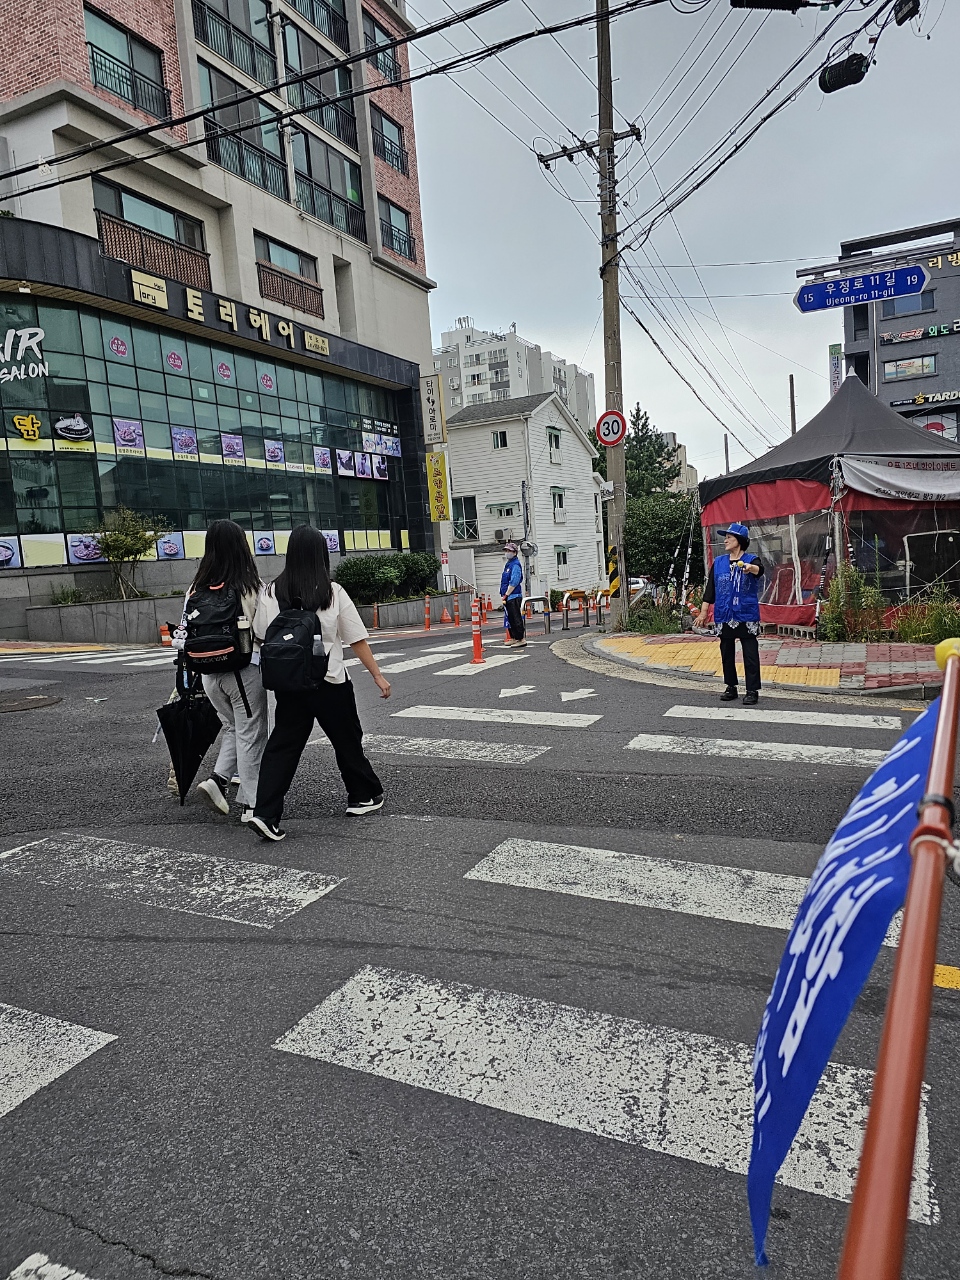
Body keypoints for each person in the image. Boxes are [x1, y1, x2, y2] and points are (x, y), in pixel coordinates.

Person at [248, 524, 392, 842]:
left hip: (290, 686)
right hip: (329, 681)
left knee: (282, 748)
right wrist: (378, 676)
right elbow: (357, 639)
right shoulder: (331, 591)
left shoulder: (272, 592)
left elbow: (260, 636)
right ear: (320, 555)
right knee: (346, 739)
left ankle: (265, 813)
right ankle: (362, 797)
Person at [185, 520, 268, 819]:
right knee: (252, 734)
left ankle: (218, 780)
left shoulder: (196, 588)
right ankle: (253, 806)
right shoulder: (250, 586)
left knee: (235, 728)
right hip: (242, 672)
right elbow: (262, 631)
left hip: (208, 676)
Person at [695, 521, 764, 706]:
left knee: (750, 653)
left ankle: (752, 690)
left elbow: (760, 570)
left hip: (746, 614)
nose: (725, 540)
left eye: (729, 537)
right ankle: (731, 686)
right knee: (726, 652)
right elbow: (710, 590)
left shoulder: (751, 559)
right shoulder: (718, 563)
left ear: (739, 540)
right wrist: (703, 613)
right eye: (725, 537)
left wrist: (750, 569)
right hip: (724, 614)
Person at [500, 541, 526, 647]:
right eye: (506, 550)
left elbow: (514, 581)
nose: (507, 552)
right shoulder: (509, 564)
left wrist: (506, 594)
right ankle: (514, 637)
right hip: (507, 595)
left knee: (515, 617)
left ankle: (521, 638)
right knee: (510, 618)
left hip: (513, 595)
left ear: (515, 552)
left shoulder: (515, 565)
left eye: (509, 551)